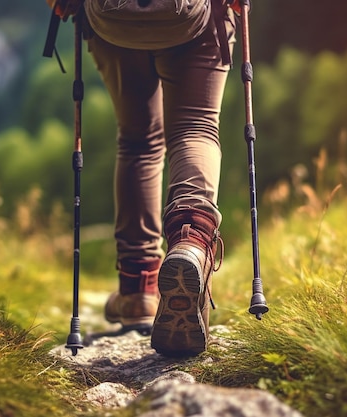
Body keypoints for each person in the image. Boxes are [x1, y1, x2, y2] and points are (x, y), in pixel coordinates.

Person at [47, 0, 237, 356]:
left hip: (113, 20)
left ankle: (138, 289)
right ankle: (191, 242)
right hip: (193, 16)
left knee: (138, 141)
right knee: (195, 128)